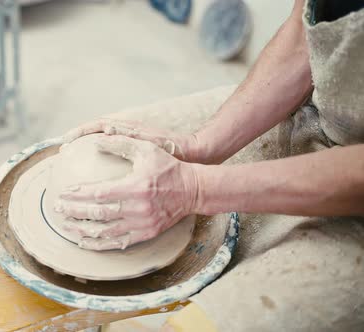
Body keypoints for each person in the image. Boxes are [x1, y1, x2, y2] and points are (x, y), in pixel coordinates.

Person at [56, 0, 364, 330]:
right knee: (100, 145)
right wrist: (201, 146)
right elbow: (302, 36)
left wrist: (196, 188)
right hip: (316, 109)